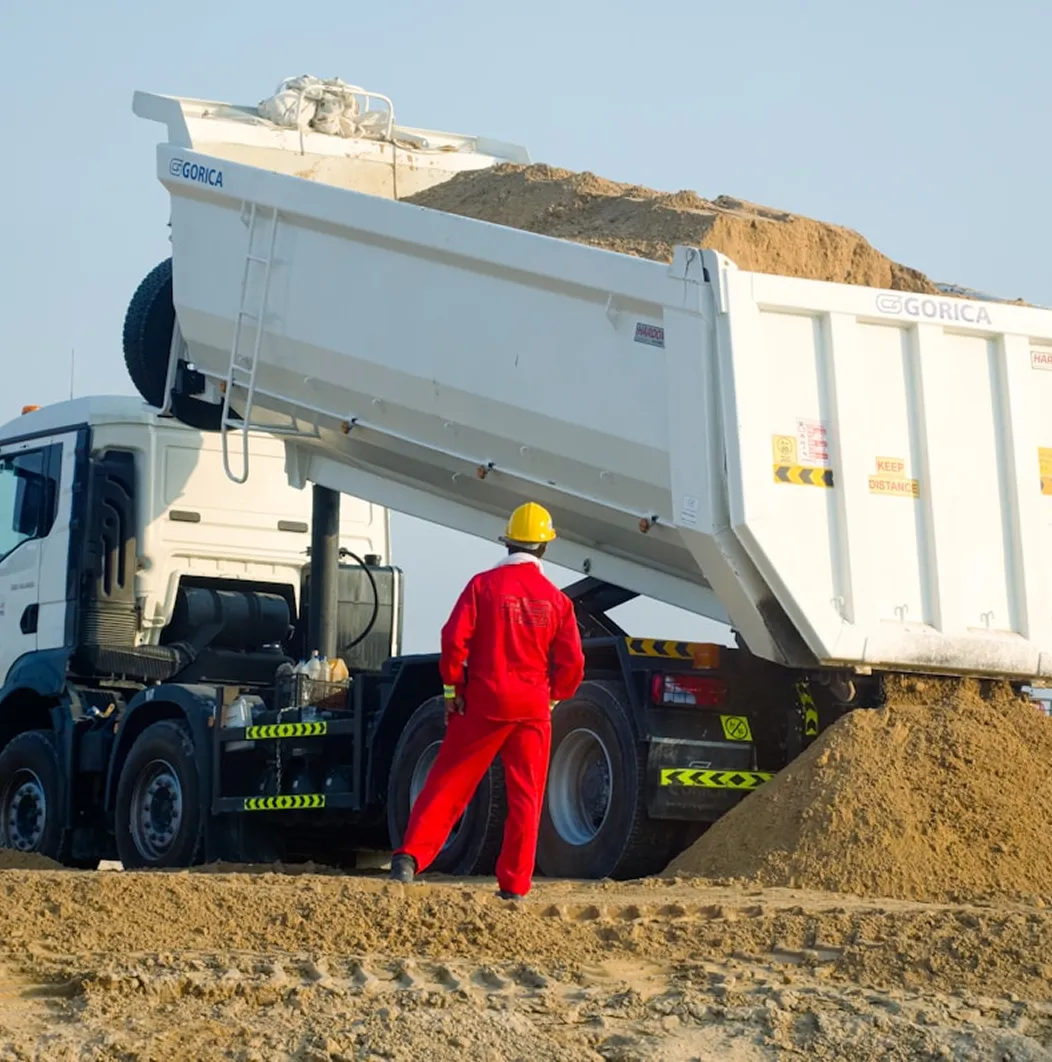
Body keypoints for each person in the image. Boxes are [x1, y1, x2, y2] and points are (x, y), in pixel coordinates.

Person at [388, 501, 585, 899]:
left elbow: (453, 639)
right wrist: (553, 699)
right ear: (545, 547)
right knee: (526, 798)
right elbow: (573, 662)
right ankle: (514, 887)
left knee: (449, 781)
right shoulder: (557, 602)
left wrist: (451, 690)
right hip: (531, 710)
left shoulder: (482, 586)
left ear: (509, 540)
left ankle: (409, 859)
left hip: (482, 702)